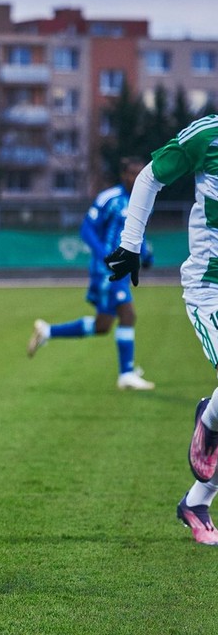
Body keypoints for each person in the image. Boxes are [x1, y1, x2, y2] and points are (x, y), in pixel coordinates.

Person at [105, 113, 218, 546]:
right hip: (210, 288)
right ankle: (209, 421)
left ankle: (196, 501)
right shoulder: (207, 136)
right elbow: (151, 176)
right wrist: (131, 245)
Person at [27, 157, 155, 390]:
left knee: (103, 325)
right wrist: (105, 255)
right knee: (128, 314)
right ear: (123, 175)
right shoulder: (110, 198)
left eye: (141, 173)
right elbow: (86, 228)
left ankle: (47, 331)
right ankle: (126, 373)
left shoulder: (143, 200)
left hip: (122, 271)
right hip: (107, 271)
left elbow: (138, 233)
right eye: (132, 173)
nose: (137, 178)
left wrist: (145, 255)